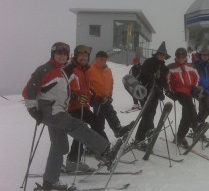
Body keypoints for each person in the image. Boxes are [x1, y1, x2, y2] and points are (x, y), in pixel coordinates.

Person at [22, 42, 119, 190]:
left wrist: (74, 96)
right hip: (51, 111)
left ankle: (49, 182)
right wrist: (32, 110)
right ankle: (105, 151)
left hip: (57, 110)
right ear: (53, 54)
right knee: (78, 125)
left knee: (60, 146)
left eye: (64, 54)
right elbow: (29, 90)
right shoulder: (46, 69)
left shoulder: (60, 70)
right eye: (58, 53)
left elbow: (61, 91)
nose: (62, 56)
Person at [63, 45, 106, 173]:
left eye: (86, 56)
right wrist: (75, 96)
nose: (84, 58)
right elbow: (64, 88)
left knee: (89, 127)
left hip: (82, 106)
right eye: (81, 55)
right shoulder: (70, 69)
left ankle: (77, 158)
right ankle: (98, 150)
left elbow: (86, 89)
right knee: (84, 129)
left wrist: (94, 96)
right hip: (72, 107)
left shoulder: (84, 69)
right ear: (76, 56)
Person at [87, 51, 133, 141]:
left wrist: (109, 95)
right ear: (96, 59)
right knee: (100, 119)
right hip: (96, 99)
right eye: (101, 59)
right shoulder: (90, 70)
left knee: (108, 115)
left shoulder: (108, 70)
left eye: (105, 59)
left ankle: (117, 130)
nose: (103, 61)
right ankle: (98, 140)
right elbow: (87, 85)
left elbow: (111, 83)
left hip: (106, 98)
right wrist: (95, 95)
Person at [134, 41, 170, 148]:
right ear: (157, 54)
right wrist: (157, 88)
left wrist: (166, 89)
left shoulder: (164, 68)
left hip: (154, 94)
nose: (161, 56)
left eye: (163, 55)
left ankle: (141, 137)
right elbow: (149, 76)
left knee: (150, 114)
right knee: (147, 115)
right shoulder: (149, 62)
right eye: (160, 54)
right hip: (144, 91)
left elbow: (163, 81)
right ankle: (146, 134)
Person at [166, 48, 200, 148]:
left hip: (190, 92)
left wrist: (195, 87)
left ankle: (180, 136)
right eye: (179, 57)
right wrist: (170, 92)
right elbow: (168, 81)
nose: (181, 59)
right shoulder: (171, 67)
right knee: (190, 106)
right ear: (176, 57)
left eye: (183, 57)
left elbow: (197, 78)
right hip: (179, 92)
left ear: (186, 57)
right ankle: (195, 126)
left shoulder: (191, 66)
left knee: (186, 115)